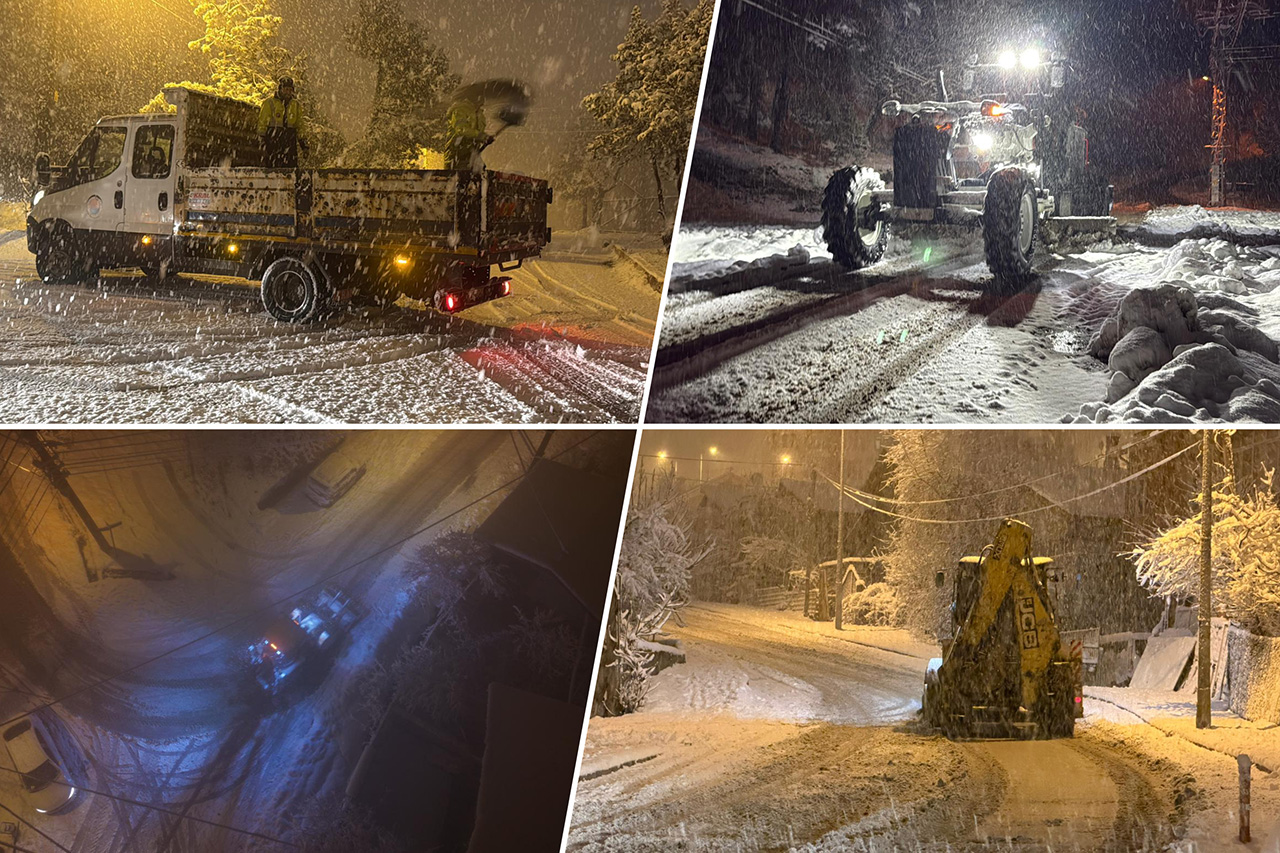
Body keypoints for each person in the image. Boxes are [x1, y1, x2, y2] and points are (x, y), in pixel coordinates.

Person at [258, 76, 308, 168]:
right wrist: (262, 142)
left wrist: (304, 145)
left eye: (290, 90)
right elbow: (262, 123)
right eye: (286, 89)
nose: (288, 92)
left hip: (290, 143)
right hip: (273, 142)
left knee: (291, 172)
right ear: (280, 89)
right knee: (274, 171)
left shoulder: (295, 105)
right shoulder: (269, 103)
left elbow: (300, 126)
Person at [444, 96, 493, 171]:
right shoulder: (460, 109)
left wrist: (484, 138)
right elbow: (461, 130)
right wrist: (480, 136)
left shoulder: (479, 113)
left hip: (471, 150)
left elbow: (477, 132)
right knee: (462, 173)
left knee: (479, 170)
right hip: (458, 150)